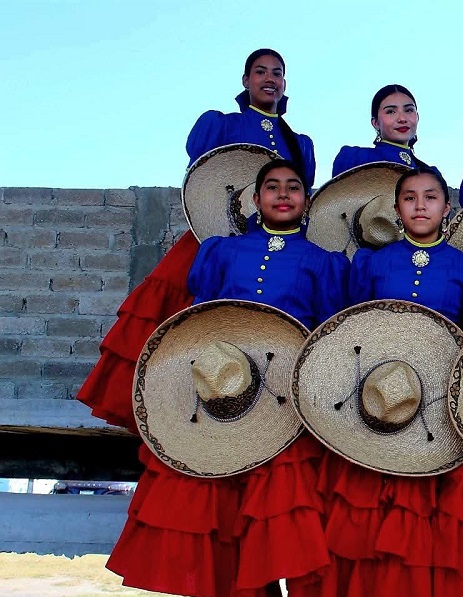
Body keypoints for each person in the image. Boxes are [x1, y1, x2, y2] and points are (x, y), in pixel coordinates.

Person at [107, 159, 348, 597]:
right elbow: (199, 316)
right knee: (212, 514)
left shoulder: (325, 262)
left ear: (307, 200)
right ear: (255, 199)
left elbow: (326, 334)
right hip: (219, 397)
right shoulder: (221, 251)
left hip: (284, 405)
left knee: (264, 518)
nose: (282, 195)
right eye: (272, 188)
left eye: (293, 188)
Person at [307, 167, 463, 597]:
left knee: (421, 527)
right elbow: (348, 333)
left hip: (434, 411)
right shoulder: (370, 263)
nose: (419, 206)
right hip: (372, 406)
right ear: (396, 211)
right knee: (359, 519)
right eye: (410, 198)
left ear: (447, 209)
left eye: (430, 197)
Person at [77, 47, 317, 433]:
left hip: (280, 251)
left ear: (285, 83)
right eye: (260, 72)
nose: (269, 78)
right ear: (245, 81)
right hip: (215, 238)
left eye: (277, 72)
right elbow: (202, 178)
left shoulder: (300, 143)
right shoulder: (218, 122)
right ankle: (173, 408)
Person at [331, 84, 435, 177]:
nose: (402, 119)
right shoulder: (354, 158)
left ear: (417, 117)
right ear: (375, 123)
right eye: (390, 112)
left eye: (408, 110)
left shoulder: (431, 174)